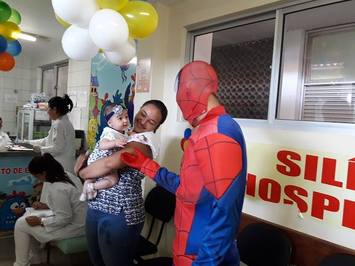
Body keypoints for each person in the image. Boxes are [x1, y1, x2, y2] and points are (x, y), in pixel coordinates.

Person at [120, 61, 247, 265]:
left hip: (201, 255)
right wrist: (145, 164)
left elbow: (225, 209)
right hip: (190, 249)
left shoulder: (216, 132)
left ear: (188, 91)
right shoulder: (208, 130)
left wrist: (204, 262)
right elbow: (188, 189)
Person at [75, 100, 167, 266]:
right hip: (97, 207)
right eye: (143, 114)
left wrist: (81, 172)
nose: (143, 121)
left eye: (151, 121)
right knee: (97, 261)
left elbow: (109, 164)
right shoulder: (125, 133)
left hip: (120, 213)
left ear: (156, 127)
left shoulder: (144, 144)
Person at [13, 153, 86, 266]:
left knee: (21, 224)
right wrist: (45, 206)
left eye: (37, 176)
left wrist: (41, 221)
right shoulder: (66, 176)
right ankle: (35, 258)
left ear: (44, 173)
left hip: (74, 228)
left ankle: (21, 263)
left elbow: (65, 218)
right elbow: (67, 206)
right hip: (76, 220)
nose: (37, 180)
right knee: (28, 218)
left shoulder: (58, 188)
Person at [80, 104, 129, 201]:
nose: (125, 120)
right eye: (120, 118)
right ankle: (93, 187)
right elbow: (102, 145)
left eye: (126, 117)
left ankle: (86, 190)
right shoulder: (109, 132)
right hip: (100, 161)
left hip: (101, 162)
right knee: (113, 180)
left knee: (92, 177)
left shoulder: (121, 132)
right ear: (110, 123)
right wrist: (114, 143)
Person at [27, 94, 76, 173]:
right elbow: (48, 139)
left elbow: (57, 148)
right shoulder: (63, 122)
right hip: (65, 164)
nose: (47, 111)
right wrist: (29, 142)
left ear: (55, 109)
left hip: (61, 165)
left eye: (49, 108)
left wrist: (40, 149)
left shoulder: (59, 124)